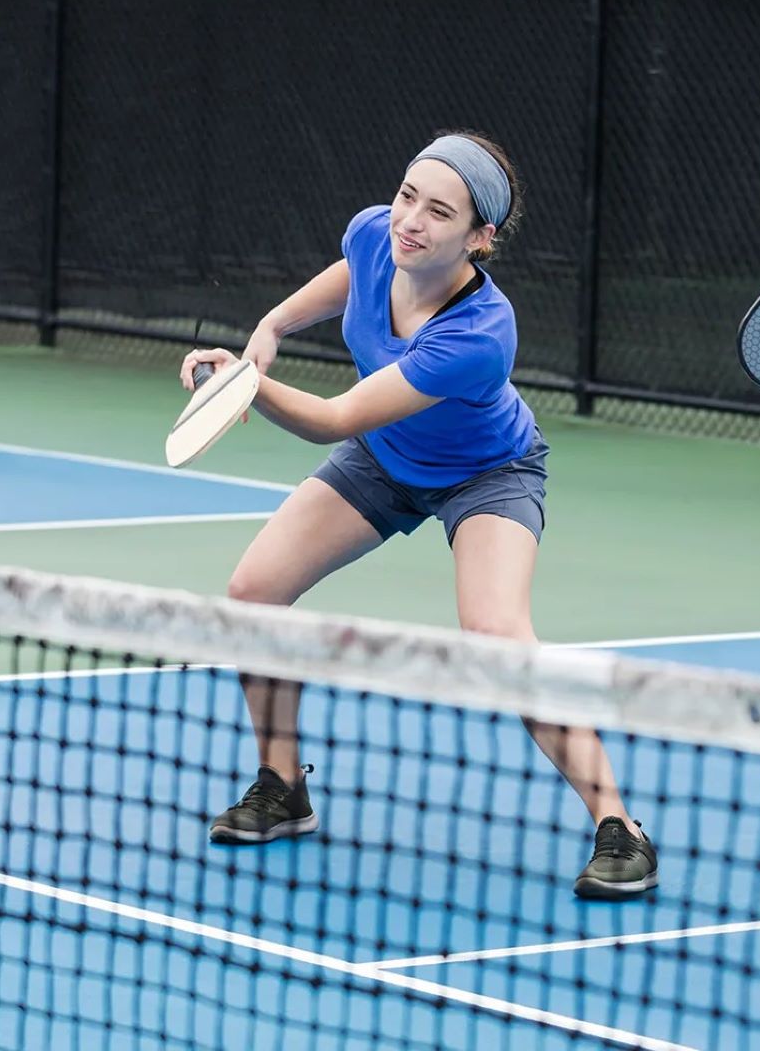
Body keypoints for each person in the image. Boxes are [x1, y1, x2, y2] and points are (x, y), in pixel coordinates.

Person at [179, 131, 657, 899]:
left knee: (498, 637)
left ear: (479, 238)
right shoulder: (378, 233)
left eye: (439, 212)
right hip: (385, 459)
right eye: (408, 196)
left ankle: (619, 827)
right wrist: (270, 328)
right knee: (253, 593)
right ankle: (281, 785)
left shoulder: (480, 333)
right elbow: (352, 274)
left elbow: (335, 417)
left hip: (485, 474)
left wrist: (243, 385)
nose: (411, 221)